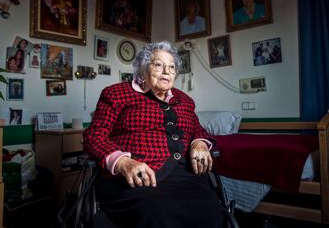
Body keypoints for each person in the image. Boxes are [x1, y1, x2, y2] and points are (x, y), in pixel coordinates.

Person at [83, 41, 224, 228]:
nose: (167, 71)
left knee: (212, 211)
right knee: (160, 214)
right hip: (136, 178)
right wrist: (123, 162)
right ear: (142, 68)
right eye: (158, 65)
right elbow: (94, 136)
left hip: (184, 175)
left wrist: (199, 143)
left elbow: (197, 129)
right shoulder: (116, 94)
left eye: (172, 67)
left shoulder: (185, 100)